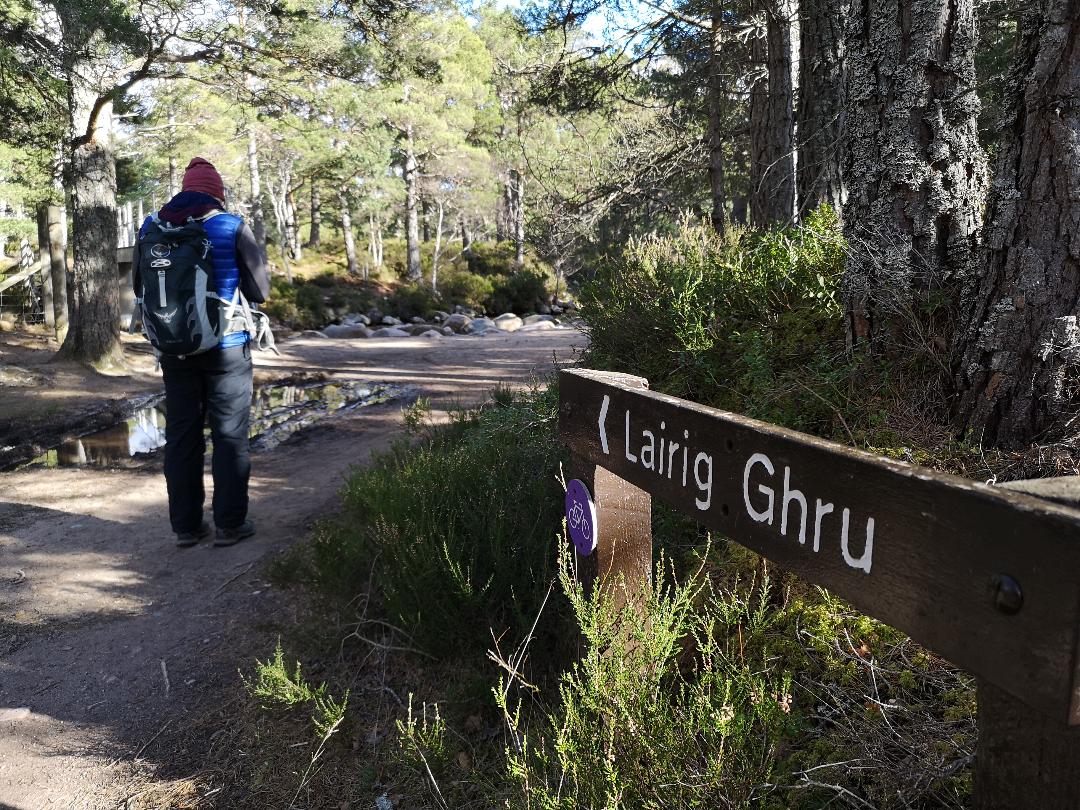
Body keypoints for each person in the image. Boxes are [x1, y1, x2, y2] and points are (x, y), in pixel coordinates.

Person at [132, 157, 271, 548]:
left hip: (174, 350)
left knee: (181, 437)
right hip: (226, 348)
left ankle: (187, 527)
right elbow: (261, 292)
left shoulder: (151, 227)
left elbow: (139, 286)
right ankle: (229, 524)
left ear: (183, 188)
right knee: (229, 436)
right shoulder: (230, 226)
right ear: (217, 193)